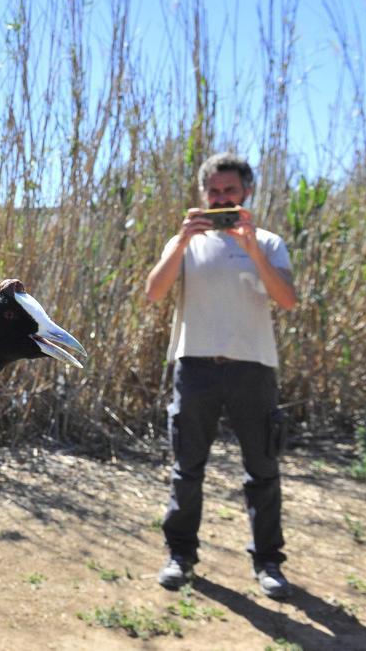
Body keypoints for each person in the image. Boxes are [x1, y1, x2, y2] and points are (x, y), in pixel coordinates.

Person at [145, 152, 298, 599]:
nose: (221, 198)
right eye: (213, 191)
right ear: (202, 194)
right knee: (187, 469)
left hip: (254, 367)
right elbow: (153, 292)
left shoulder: (268, 242)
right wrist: (181, 241)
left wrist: (251, 250)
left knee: (262, 470)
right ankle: (180, 556)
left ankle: (268, 562)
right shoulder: (186, 243)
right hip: (195, 366)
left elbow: (287, 299)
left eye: (230, 190)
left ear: (247, 191)